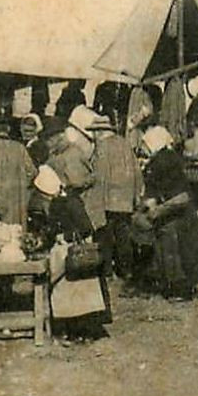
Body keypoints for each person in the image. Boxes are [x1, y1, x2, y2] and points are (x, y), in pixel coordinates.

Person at [27, 164, 111, 341]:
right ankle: (76, 329)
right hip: (67, 251)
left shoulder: (70, 202)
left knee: (77, 293)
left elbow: (86, 228)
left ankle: (82, 330)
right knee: (75, 296)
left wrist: (63, 236)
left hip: (76, 252)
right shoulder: (60, 201)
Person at [136, 126, 198, 300]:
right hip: (186, 211)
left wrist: (148, 209)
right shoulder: (173, 157)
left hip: (173, 212)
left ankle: (178, 289)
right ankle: (190, 287)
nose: (144, 149)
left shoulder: (157, 163)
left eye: (146, 145)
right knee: (190, 251)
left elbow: (154, 194)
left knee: (172, 251)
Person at [89, 114, 142, 283]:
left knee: (105, 236)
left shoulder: (103, 147)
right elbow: (136, 171)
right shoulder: (125, 143)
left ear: (99, 132)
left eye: (94, 132)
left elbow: (100, 175)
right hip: (125, 198)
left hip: (109, 198)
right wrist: (136, 195)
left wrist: (94, 199)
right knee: (123, 235)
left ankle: (107, 271)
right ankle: (126, 270)